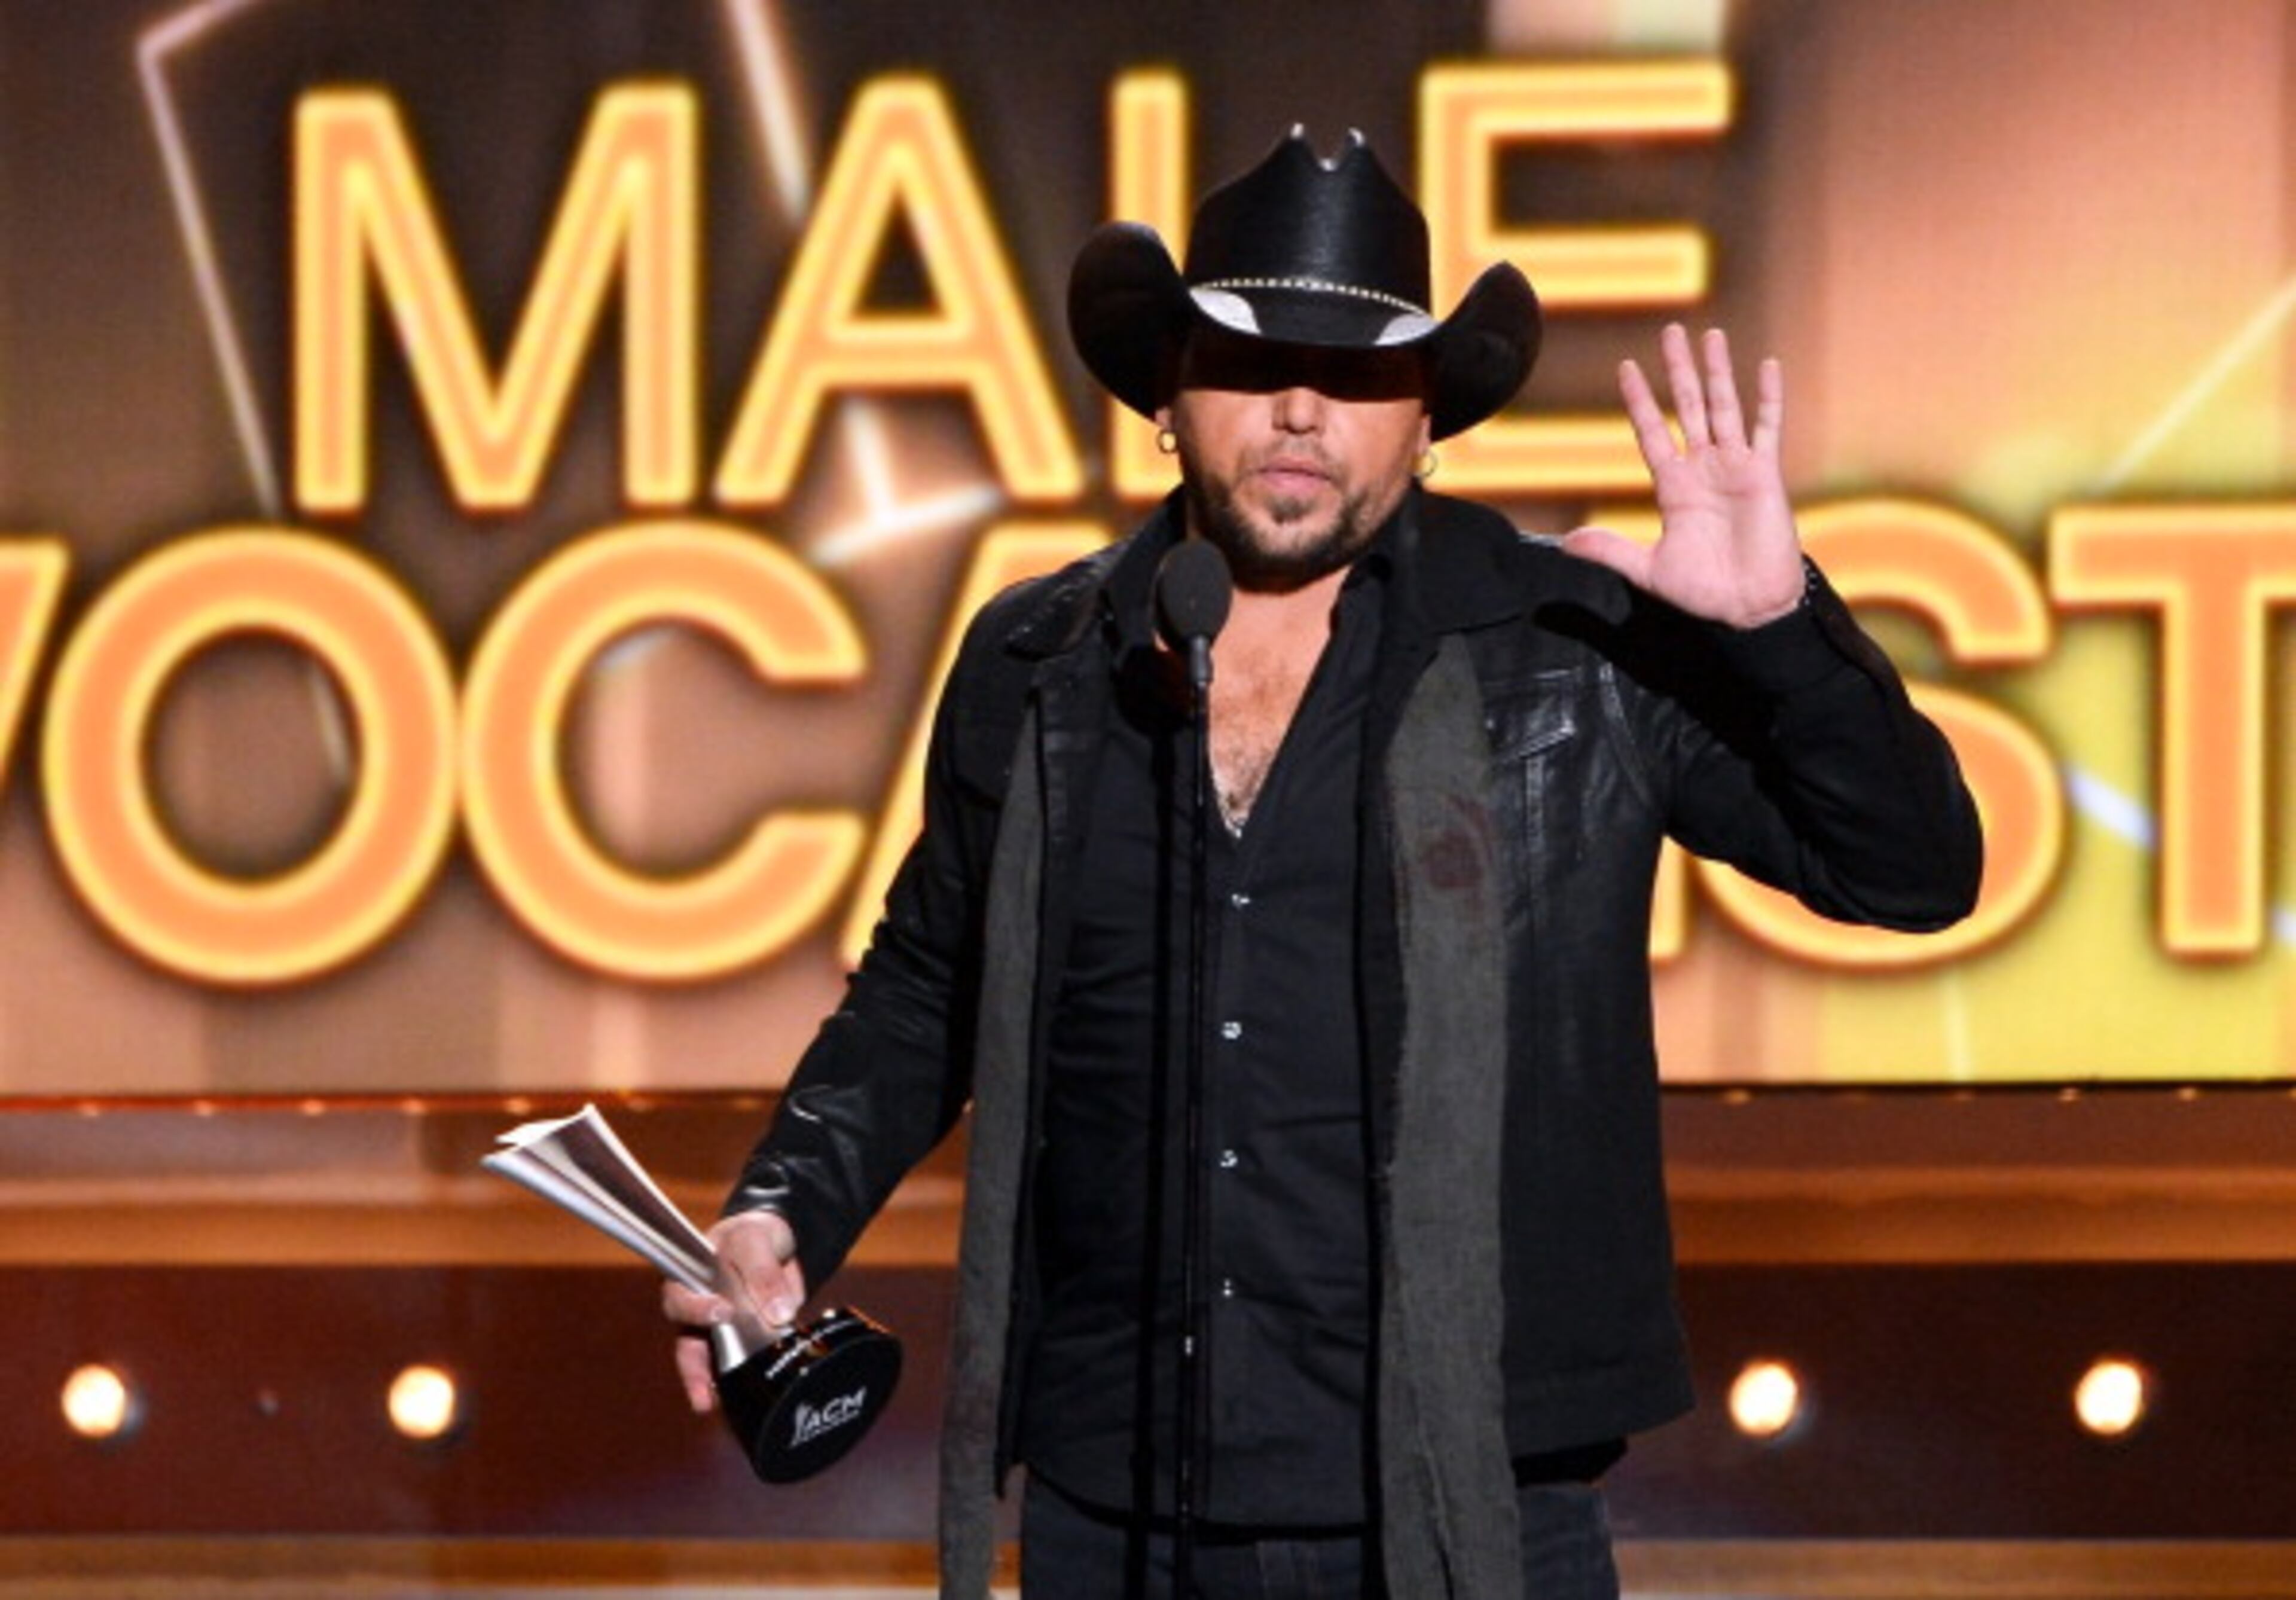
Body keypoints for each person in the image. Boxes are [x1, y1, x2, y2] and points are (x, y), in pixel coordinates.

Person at [662, 128, 1981, 1599]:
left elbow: (1914, 872)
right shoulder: (1041, 661)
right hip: (1119, 1487)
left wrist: (1777, 627)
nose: (1300, 409)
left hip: (1469, 1492)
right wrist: (784, 1204)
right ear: (1167, 393)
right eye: (1248, 359)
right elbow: (927, 987)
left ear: (1426, 415)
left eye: (1356, 376)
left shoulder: (1569, 647)